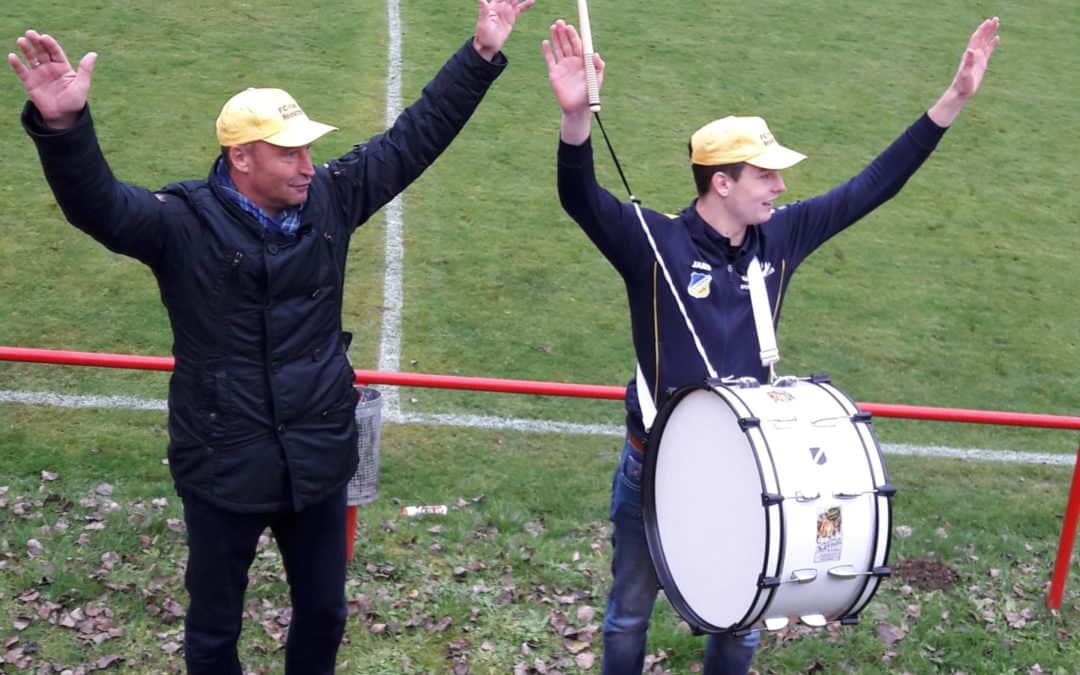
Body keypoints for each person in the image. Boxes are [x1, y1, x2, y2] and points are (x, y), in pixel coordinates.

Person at [9, 1, 533, 672]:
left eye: (309, 148)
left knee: (323, 614)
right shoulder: (182, 224)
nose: (308, 164)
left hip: (314, 459)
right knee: (213, 630)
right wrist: (64, 124)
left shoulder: (330, 200)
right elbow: (100, 205)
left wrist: (482, 52)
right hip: (222, 463)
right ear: (242, 159)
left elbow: (412, 140)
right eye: (290, 153)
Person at [543, 16, 999, 675]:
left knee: (744, 621)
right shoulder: (655, 245)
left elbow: (871, 186)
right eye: (765, 175)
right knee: (628, 613)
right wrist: (576, 118)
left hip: (751, 469)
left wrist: (951, 99)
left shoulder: (781, 238)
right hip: (651, 465)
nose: (781, 187)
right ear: (721, 183)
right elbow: (578, 194)